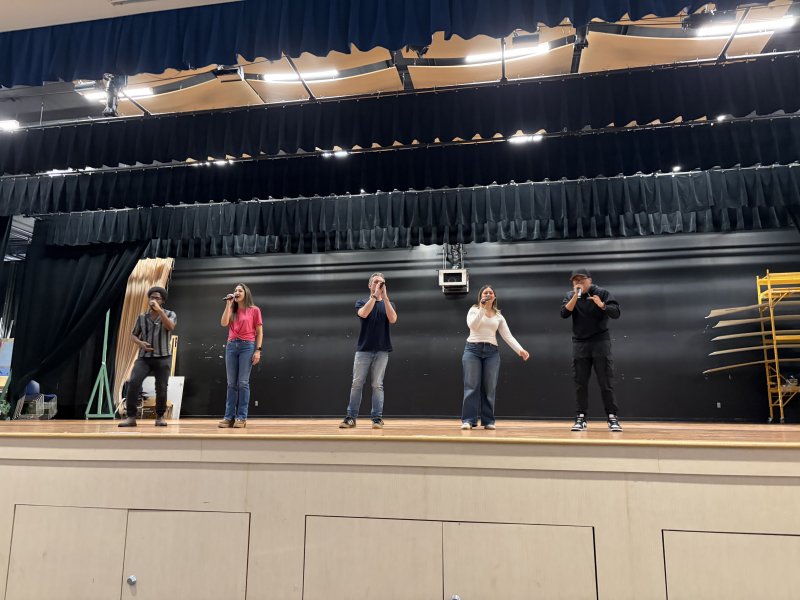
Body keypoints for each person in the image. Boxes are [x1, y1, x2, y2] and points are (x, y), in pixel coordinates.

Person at [560, 268, 622, 432]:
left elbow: (616, 312)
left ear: (590, 280)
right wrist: (575, 296)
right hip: (580, 344)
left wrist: (602, 305)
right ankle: (580, 417)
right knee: (580, 383)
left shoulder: (602, 293)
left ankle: (612, 417)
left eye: (582, 279)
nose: (579, 282)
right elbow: (564, 313)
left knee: (605, 381)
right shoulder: (570, 295)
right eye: (575, 280)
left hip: (600, 342)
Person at [461, 285, 530, 430]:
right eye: (485, 292)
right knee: (472, 386)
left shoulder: (499, 316)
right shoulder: (474, 310)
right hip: (472, 350)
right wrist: (482, 308)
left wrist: (520, 350)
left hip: (492, 352)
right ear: (481, 296)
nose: (488, 294)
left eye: (490, 292)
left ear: (494, 297)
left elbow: (507, 336)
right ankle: (468, 420)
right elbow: (473, 326)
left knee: (489, 387)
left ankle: (488, 421)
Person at [339, 272, 397, 429]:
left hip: (382, 350)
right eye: (376, 282)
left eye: (381, 282)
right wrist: (375, 296)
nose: (378, 285)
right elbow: (363, 314)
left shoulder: (389, 303)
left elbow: (393, 319)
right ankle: (351, 418)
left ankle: (377, 418)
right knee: (357, 383)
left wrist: (384, 297)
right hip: (363, 350)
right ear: (369, 285)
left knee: (377, 384)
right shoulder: (362, 302)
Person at [118, 286, 176, 427]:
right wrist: (140, 343)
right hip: (144, 357)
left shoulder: (170, 314)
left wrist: (159, 311)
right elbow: (133, 335)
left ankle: (160, 417)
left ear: (162, 301)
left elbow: (170, 327)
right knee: (133, 383)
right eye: (151, 297)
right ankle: (131, 417)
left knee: (161, 387)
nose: (153, 300)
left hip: (163, 357)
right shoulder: (142, 317)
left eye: (157, 298)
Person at [219, 283, 263, 428]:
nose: (236, 292)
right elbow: (223, 323)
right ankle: (229, 417)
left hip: (247, 346)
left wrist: (258, 350)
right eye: (235, 290)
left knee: (243, 383)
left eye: (240, 290)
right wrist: (228, 304)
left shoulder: (254, 310)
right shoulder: (232, 308)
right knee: (231, 383)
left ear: (246, 293)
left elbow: (259, 332)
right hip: (231, 346)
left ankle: (241, 417)